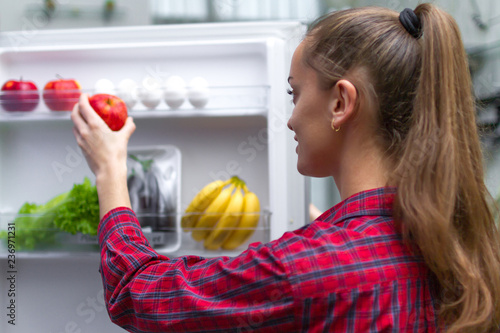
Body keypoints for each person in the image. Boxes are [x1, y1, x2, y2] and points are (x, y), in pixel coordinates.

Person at [71, 3, 500, 332]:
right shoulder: (463, 244)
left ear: (341, 103)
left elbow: (137, 295)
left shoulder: (306, 267)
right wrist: (331, 233)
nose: (291, 119)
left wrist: (110, 171)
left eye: (295, 94)